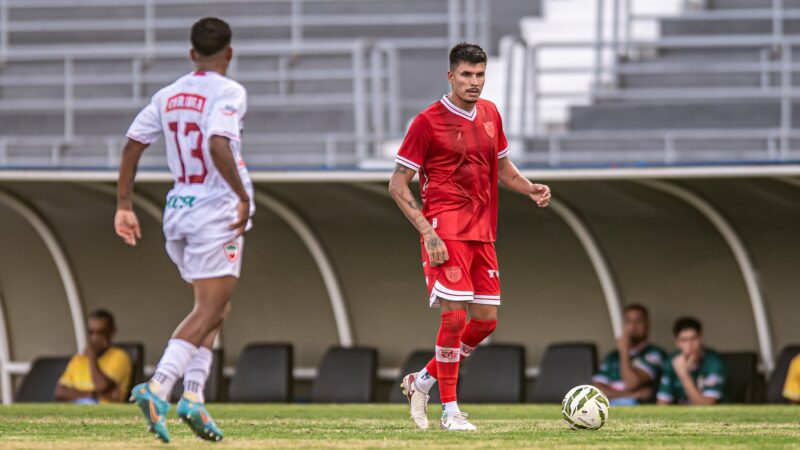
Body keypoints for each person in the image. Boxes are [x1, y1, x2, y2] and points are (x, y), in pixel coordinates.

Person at [389, 43, 551, 431]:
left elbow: (502, 167)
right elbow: (397, 184)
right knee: (455, 316)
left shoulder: (491, 113)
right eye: (466, 75)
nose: (473, 82)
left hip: (483, 232)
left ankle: (421, 381)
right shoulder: (427, 122)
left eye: (479, 75)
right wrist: (428, 231)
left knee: (484, 323)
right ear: (451, 76)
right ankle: (450, 410)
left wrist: (529, 188)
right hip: (446, 231)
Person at [115, 17, 253, 443]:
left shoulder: (169, 93)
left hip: (179, 209)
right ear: (229, 53)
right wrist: (242, 197)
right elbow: (217, 142)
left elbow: (133, 144)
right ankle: (159, 388)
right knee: (210, 310)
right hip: (215, 210)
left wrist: (124, 203)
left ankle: (193, 395)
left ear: (192, 54)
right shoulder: (229, 91)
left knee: (214, 307)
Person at [593, 304, 667, 406]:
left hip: (635, 409)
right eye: (628, 321)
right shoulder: (612, 356)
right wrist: (631, 394)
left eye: (638, 321)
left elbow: (631, 383)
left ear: (647, 324)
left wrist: (624, 351)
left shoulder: (654, 353)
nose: (633, 326)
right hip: (607, 406)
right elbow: (596, 390)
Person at [55, 310, 132, 404]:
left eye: (100, 333)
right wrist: (92, 394)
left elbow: (101, 385)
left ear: (112, 332)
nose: (94, 338)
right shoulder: (79, 359)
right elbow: (60, 392)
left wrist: (92, 357)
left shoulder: (120, 356)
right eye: (91, 332)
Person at [657, 317, 727, 405]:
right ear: (677, 342)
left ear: (701, 338)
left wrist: (683, 374)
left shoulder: (714, 363)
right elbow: (662, 404)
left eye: (693, 339)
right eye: (684, 340)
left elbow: (706, 406)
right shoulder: (671, 362)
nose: (689, 345)